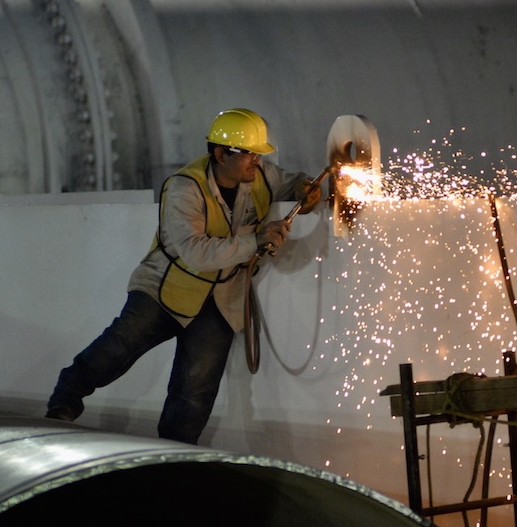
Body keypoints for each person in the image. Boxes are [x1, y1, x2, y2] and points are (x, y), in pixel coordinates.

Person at [44, 108, 323, 444]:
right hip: (165, 289)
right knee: (116, 349)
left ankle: (174, 454)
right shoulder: (183, 187)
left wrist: (307, 189)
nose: (255, 161)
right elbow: (195, 251)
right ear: (221, 154)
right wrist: (256, 240)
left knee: (195, 391)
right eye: (248, 154)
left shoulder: (261, 176)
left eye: (257, 154)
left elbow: (291, 182)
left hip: (219, 300)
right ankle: (64, 401)